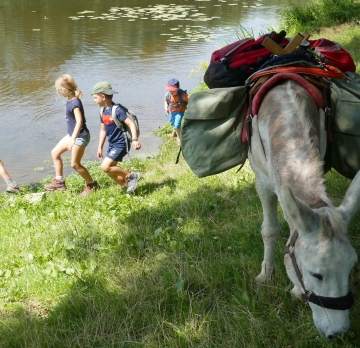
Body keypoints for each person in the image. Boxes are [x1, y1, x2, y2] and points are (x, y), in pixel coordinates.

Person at [44, 74, 98, 196]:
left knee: (75, 164)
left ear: (65, 89)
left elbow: (80, 121)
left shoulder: (75, 103)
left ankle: (91, 184)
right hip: (72, 135)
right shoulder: (70, 100)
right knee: (55, 153)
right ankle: (59, 181)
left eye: (59, 89)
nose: (58, 92)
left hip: (80, 136)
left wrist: (72, 140)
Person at [92, 82, 141, 193]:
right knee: (110, 171)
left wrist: (135, 139)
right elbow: (103, 130)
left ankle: (131, 176)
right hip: (112, 144)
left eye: (95, 97)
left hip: (122, 143)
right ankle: (126, 186)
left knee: (105, 166)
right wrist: (100, 147)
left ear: (103, 97)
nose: (94, 100)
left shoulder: (117, 110)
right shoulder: (102, 111)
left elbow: (131, 124)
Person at [164, 78, 189, 144]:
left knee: (177, 124)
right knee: (172, 122)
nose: (171, 92)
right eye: (170, 90)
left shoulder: (182, 95)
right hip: (172, 111)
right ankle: (174, 132)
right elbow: (166, 101)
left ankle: (179, 138)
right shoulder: (168, 94)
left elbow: (189, 100)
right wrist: (166, 108)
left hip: (180, 111)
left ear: (178, 89)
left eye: (173, 90)